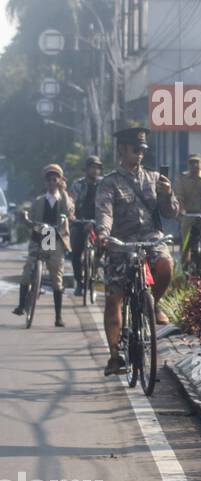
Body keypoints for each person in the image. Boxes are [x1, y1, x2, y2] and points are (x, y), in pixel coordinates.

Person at [96, 125, 178, 375]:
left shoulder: (154, 179)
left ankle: (154, 304)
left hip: (150, 238)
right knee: (114, 298)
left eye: (143, 150)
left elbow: (171, 212)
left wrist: (168, 194)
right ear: (122, 150)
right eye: (135, 149)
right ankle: (114, 356)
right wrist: (103, 234)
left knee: (165, 264)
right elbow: (105, 212)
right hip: (121, 242)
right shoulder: (109, 183)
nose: (140, 154)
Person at [12, 164, 75, 326]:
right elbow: (30, 219)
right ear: (45, 182)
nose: (52, 183)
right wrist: (26, 219)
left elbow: (69, 211)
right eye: (49, 180)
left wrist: (64, 192)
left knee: (56, 278)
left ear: (60, 181)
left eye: (55, 179)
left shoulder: (63, 199)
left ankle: (58, 316)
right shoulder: (39, 201)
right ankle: (21, 304)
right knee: (27, 270)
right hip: (39, 237)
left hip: (56, 239)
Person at [68, 155, 103, 297]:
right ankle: (79, 283)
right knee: (75, 252)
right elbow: (71, 204)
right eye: (92, 167)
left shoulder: (104, 184)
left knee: (105, 245)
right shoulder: (78, 184)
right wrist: (72, 217)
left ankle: (96, 266)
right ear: (86, 169)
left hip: (99, 221)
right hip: (80, 221)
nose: (95, 171)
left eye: (97, 168)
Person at [175, 154, 201, 269]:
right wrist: (181, 210)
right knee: (185, 244)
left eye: (197, 162)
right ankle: (184, 268)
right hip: (188, 214)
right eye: (192, 163)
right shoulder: (182, 179)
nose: (195, 165)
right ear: (188, 165)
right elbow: (179, 196)